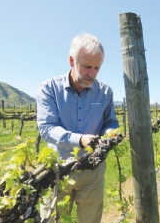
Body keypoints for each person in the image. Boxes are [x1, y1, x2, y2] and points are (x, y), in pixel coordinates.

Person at [36, 33, 119, 223]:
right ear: (72, 60)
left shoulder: (105, 92)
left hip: (93, 170)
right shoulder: (49, 88)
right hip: (58, 170)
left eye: (97, 68)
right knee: (51, 220)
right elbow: (47, 128)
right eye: (87, 67)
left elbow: (111, 122)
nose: (93, 74)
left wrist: (109, 134)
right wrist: (80, 140)